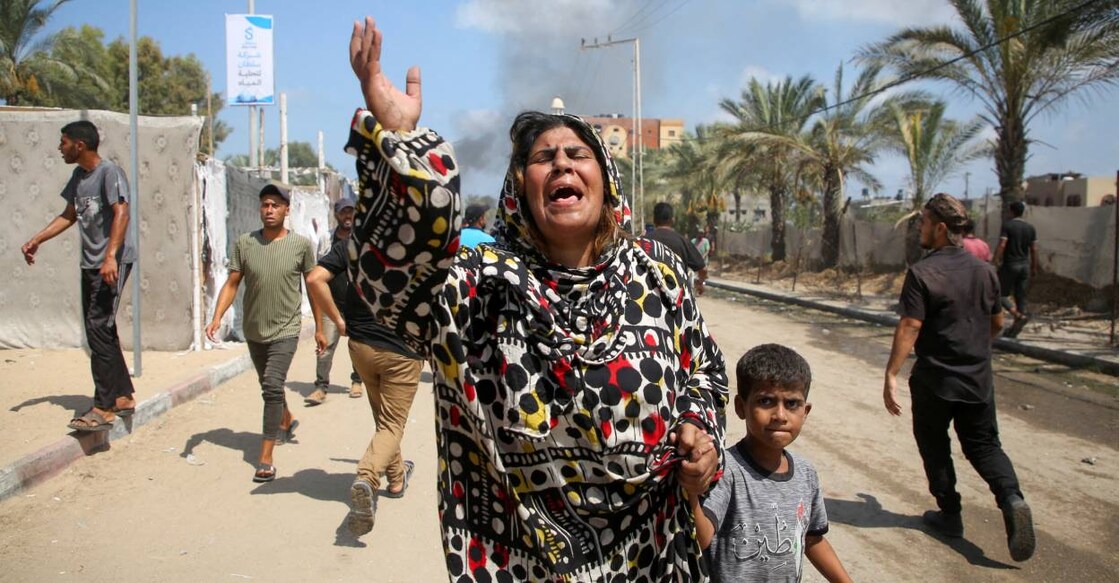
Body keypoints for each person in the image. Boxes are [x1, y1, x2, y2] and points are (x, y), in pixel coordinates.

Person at [347, 16, 727, 580]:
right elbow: (395, 274)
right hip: (522, 559)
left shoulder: (659, 273)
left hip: (653, 554)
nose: (561, 164)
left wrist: (701, 434)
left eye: (578, 153)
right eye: (542, 157)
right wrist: (402, 141)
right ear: (519, 187)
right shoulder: (476, 282)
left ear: (605, 178)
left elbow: (704, 372)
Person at [883, 193, 1035, 562]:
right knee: (984, 445)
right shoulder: (985, 271)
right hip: (978, 379)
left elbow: (910, 324)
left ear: (941, 228)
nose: (919, 228)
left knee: (934, 445)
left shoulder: (923, 272)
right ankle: (1011, 497)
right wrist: (973, 352)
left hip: (936, 380)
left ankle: (950, 514)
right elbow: (996, 322)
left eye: (923, 222)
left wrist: (891, 374)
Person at [692, 343, 852, 583]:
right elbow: (702, 538)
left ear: (805, 411)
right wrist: (692, 491)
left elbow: (812, 539)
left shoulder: (806, 474)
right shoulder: (726, 470)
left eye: (792, 404)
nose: (780, 415)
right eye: (766, 401)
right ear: (740, 407)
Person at [21, 121, 138, 432]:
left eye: (64, 142)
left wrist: (111, 255)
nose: (60, 148)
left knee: (98, 327)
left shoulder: (109, 172)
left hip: (112, 262)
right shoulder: (79, 177)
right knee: (101, 329)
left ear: (80, 146)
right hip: (92, 265)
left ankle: (103, 407)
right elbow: (69, 215)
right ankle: (123, 395)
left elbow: (122, 212)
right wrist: (37, 239)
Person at [306, 233, 424, 536]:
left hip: (362, 348)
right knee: (392, 423)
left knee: (382, 418)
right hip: (403, 350)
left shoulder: (353, 245)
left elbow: (315, 279)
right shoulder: (420, 246)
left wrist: (339, 320)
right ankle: (368, 478)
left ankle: (396, 478)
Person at [206, 184, 316, 483]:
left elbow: (313, 286)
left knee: (271, 384)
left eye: (275, 205)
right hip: (254, 329)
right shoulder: (245, 243)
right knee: (269, 385)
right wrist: (217, 316)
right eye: (265, 205)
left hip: (286, 328)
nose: (269, 210)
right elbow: (232, 283)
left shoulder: (301, 246)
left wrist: (320, 327)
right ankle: (287, 418)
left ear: (286, 209)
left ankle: (265, 456)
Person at [305, 197, 364, 405]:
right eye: (343, 212)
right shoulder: (327, 241)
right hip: (333, 304)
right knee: (325, 345)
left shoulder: (362, 240)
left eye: (350, 211)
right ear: (336, 215)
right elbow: (315, 273)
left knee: (358, 345)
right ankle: (321, 387)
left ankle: (357, 381)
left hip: (358, 304)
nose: (347, 216)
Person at [993, 201, 1038, 338]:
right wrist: (1034, 266)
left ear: (1011, 211)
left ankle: (1016, 315)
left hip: (1010, 265)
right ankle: (1016, 326)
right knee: (1020, 296)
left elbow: (1002, 244)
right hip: (1024, 266)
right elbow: (1034, 249)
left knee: (997, 293)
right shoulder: (1030, 228)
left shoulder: (1008, 226)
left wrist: (995, 260)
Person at [644, 201, 708, 295]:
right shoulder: (682, 242)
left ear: (654, 220)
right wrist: (700, 283)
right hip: (676, 300)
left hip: (648, 298)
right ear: (672, 220)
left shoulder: (643, 241)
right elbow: (703, 269)